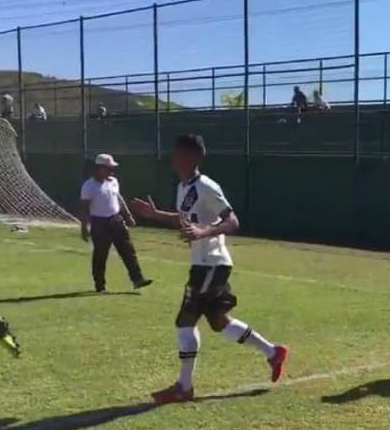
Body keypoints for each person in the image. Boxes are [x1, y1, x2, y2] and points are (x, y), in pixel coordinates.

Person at [130, 134, 290, 404]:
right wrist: (155, 214)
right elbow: (185, 219)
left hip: (211, 264)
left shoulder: (206, 186)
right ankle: (273, 352)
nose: (173, 157)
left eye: (179, 153)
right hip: (206, 265)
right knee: (220, 322)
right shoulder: (183, 187)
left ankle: (184, 387)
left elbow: (233, 221)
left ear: (193, 157)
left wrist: (205, 231)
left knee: (185, 321)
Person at [80, 154, 151, 293]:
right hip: (99, 223)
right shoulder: (89, 186)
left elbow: (119, 198)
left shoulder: (113, 181)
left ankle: (137, 279)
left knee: (128, 251)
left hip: (116, 220)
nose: (111, 171)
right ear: (99, 168)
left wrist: (128, 215)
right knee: (101, 255)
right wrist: (84, 228)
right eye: (108, 168)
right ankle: (100, 286)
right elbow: (84, 209)